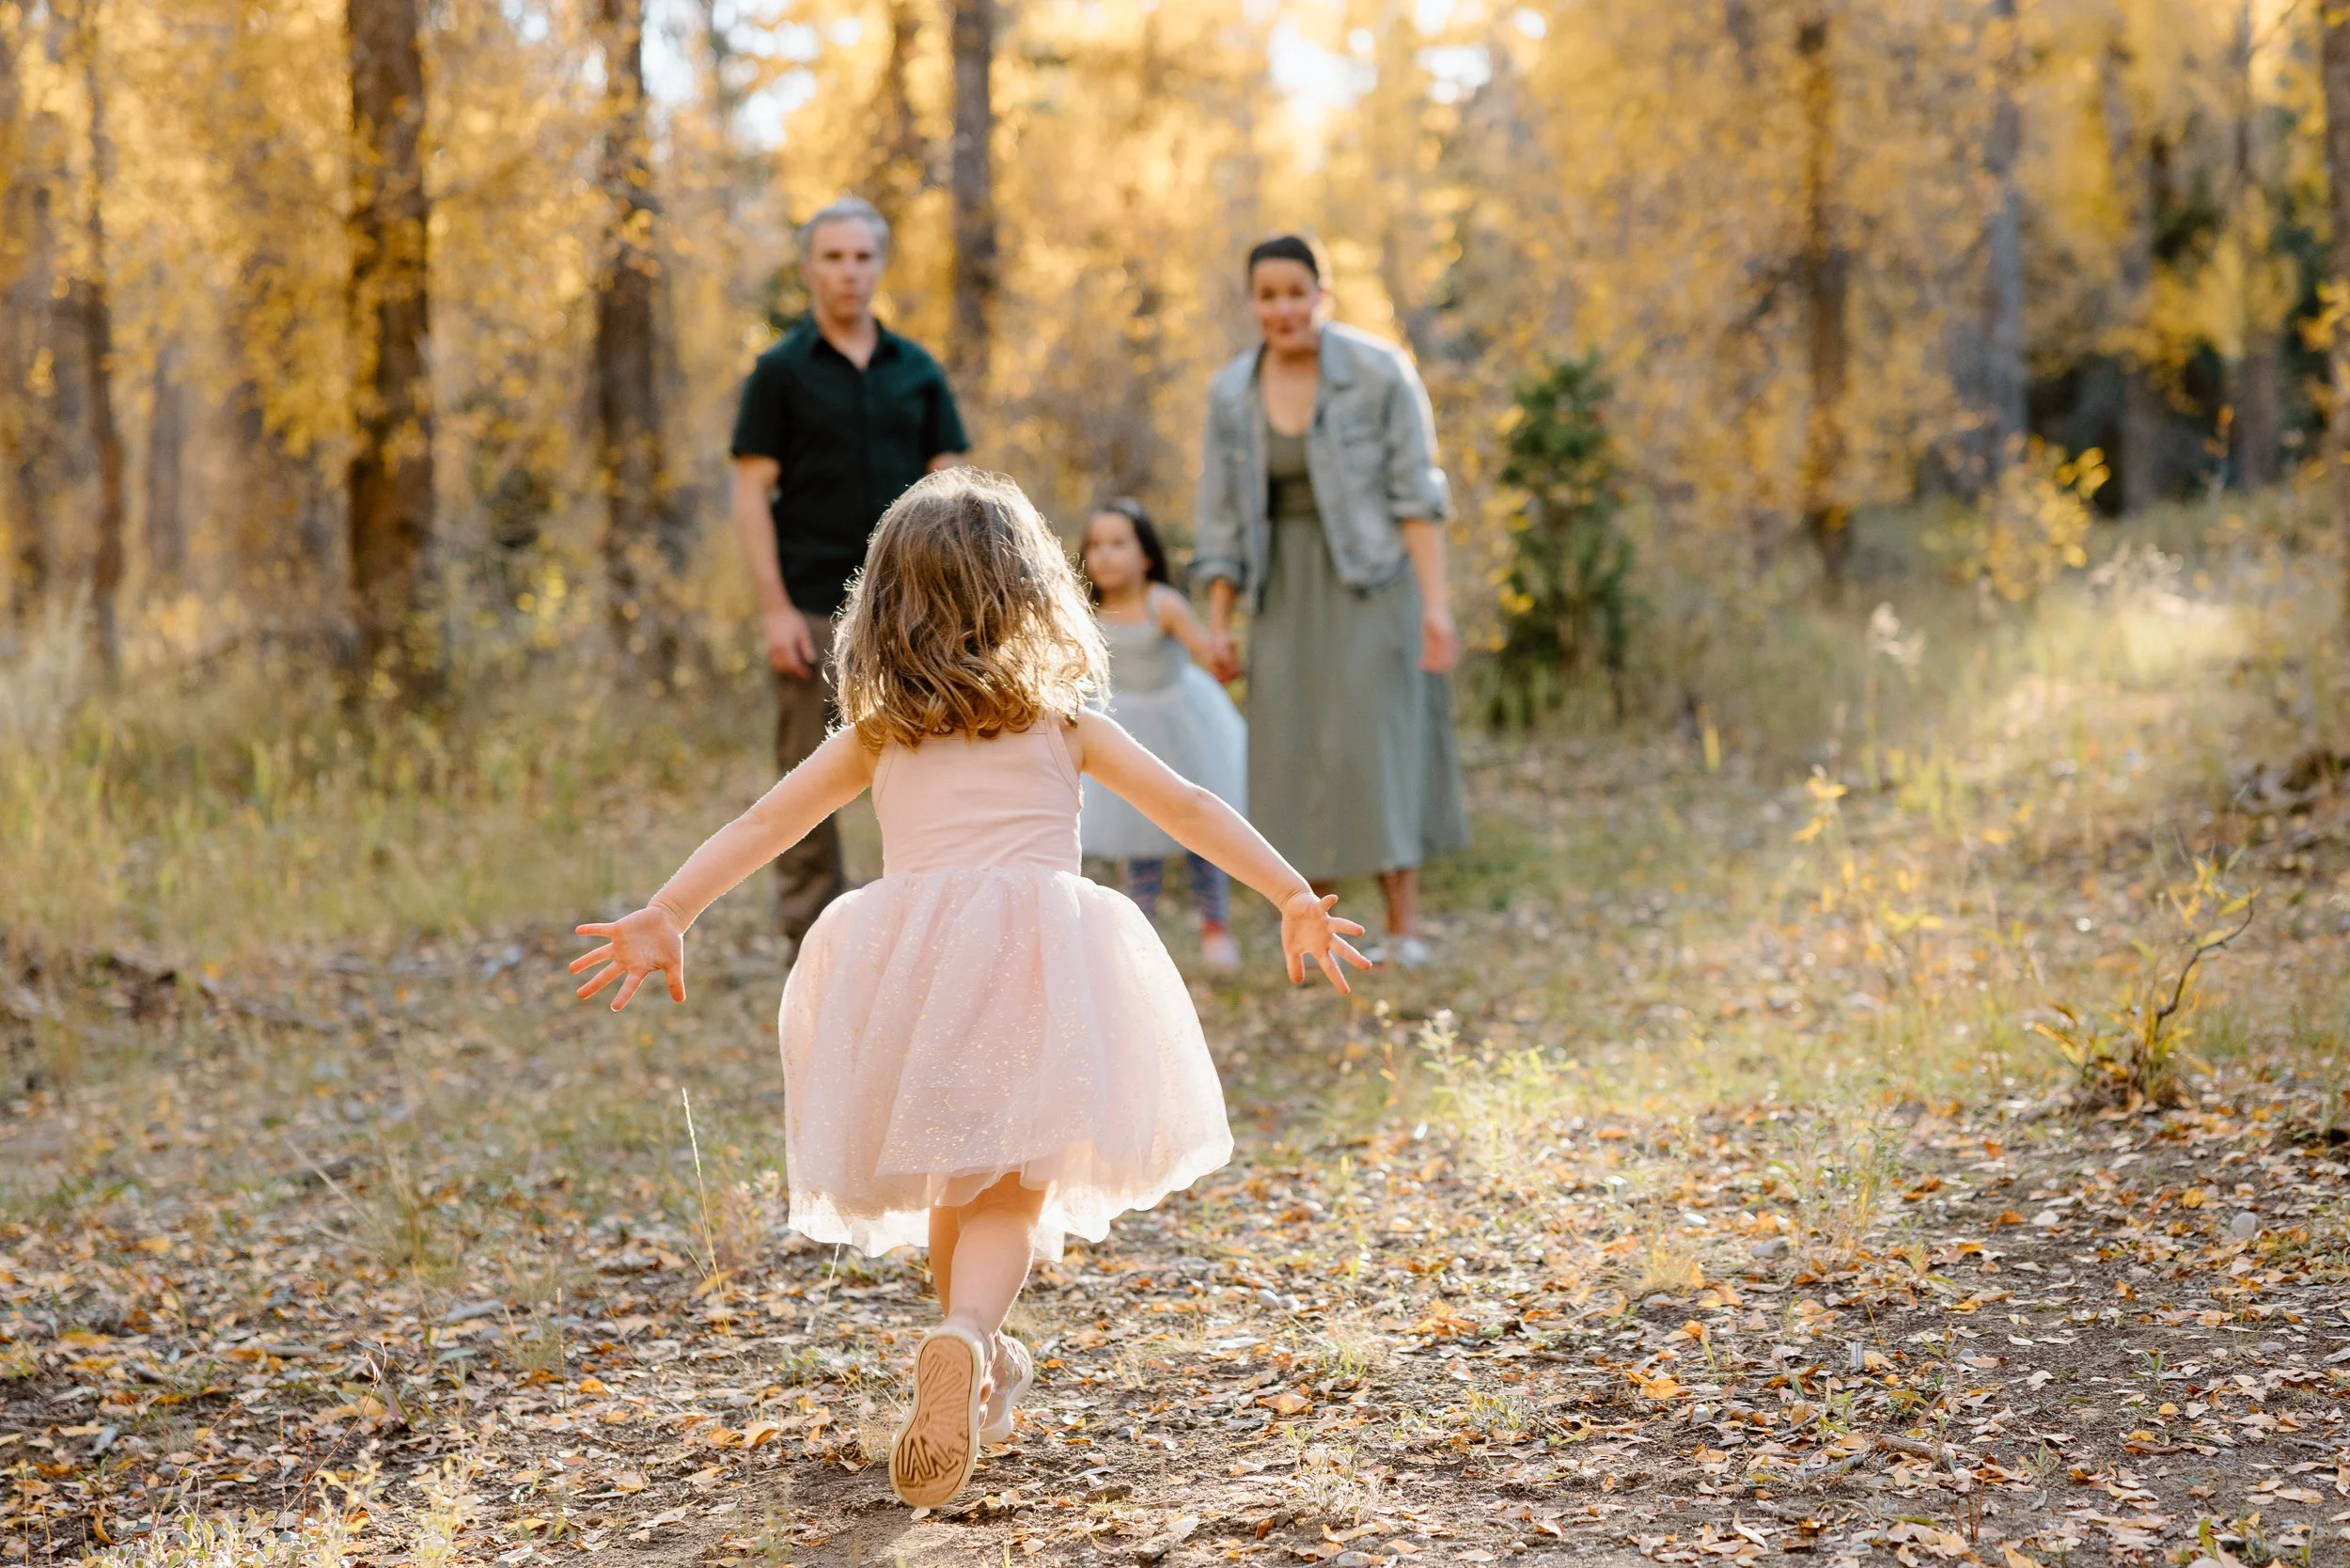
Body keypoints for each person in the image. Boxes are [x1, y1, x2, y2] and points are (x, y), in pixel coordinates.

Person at [569, 469, 1370, 1511]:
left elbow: (767, 824)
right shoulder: (1063, 724)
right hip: (1039, 964)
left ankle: (975, 1364)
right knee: (1006, 1195)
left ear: (882, 609)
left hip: (914, 972)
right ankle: (968, 1336)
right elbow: (1187, 805)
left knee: (961, 1184)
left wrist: (670, 909)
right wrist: (1290, 893)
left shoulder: (877, 736)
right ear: (1032, 594)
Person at [1193, 233, 1470, 969]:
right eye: (1268, 295)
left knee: (1374, 745)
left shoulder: (1379, 372)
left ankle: (1404, 927)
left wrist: (1435, 608)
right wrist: (1218, 625)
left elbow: (1418, 495)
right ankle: (1316, 928)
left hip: (1373, 582)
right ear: (1251, 303)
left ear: (1323, 294)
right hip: (1280, 589)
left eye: (1296, 292)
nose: (1283, 309)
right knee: (1290, 751)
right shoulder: (1230, 392)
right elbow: (1219, 519)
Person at [728, 196, 968, 958]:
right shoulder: (779, 373)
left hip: (915, 612)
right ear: (808, 268)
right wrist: (775, 609)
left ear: (880, 265)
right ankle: (814, 945)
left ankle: (937, 930)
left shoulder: (917, 371)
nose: (848, 272)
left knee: (938, 768)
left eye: (862, 257)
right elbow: (750, 494)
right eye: (832, 257)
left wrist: (959, 606)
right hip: (811, 607)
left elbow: (954, 490)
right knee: (807, 782)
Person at [1077, 498, 1248, 974]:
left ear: (1146, 555)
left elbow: (1205, 650)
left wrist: (1222, 654)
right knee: (1137, 837)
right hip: (1122, 730)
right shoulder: (1086, 612)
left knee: (1202, 831)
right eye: (1095, 545)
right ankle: (1140, 936)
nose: (1105, 555)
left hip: (1182, 727)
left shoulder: (1162, 603)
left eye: (1118, 543)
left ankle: (1216, 928)